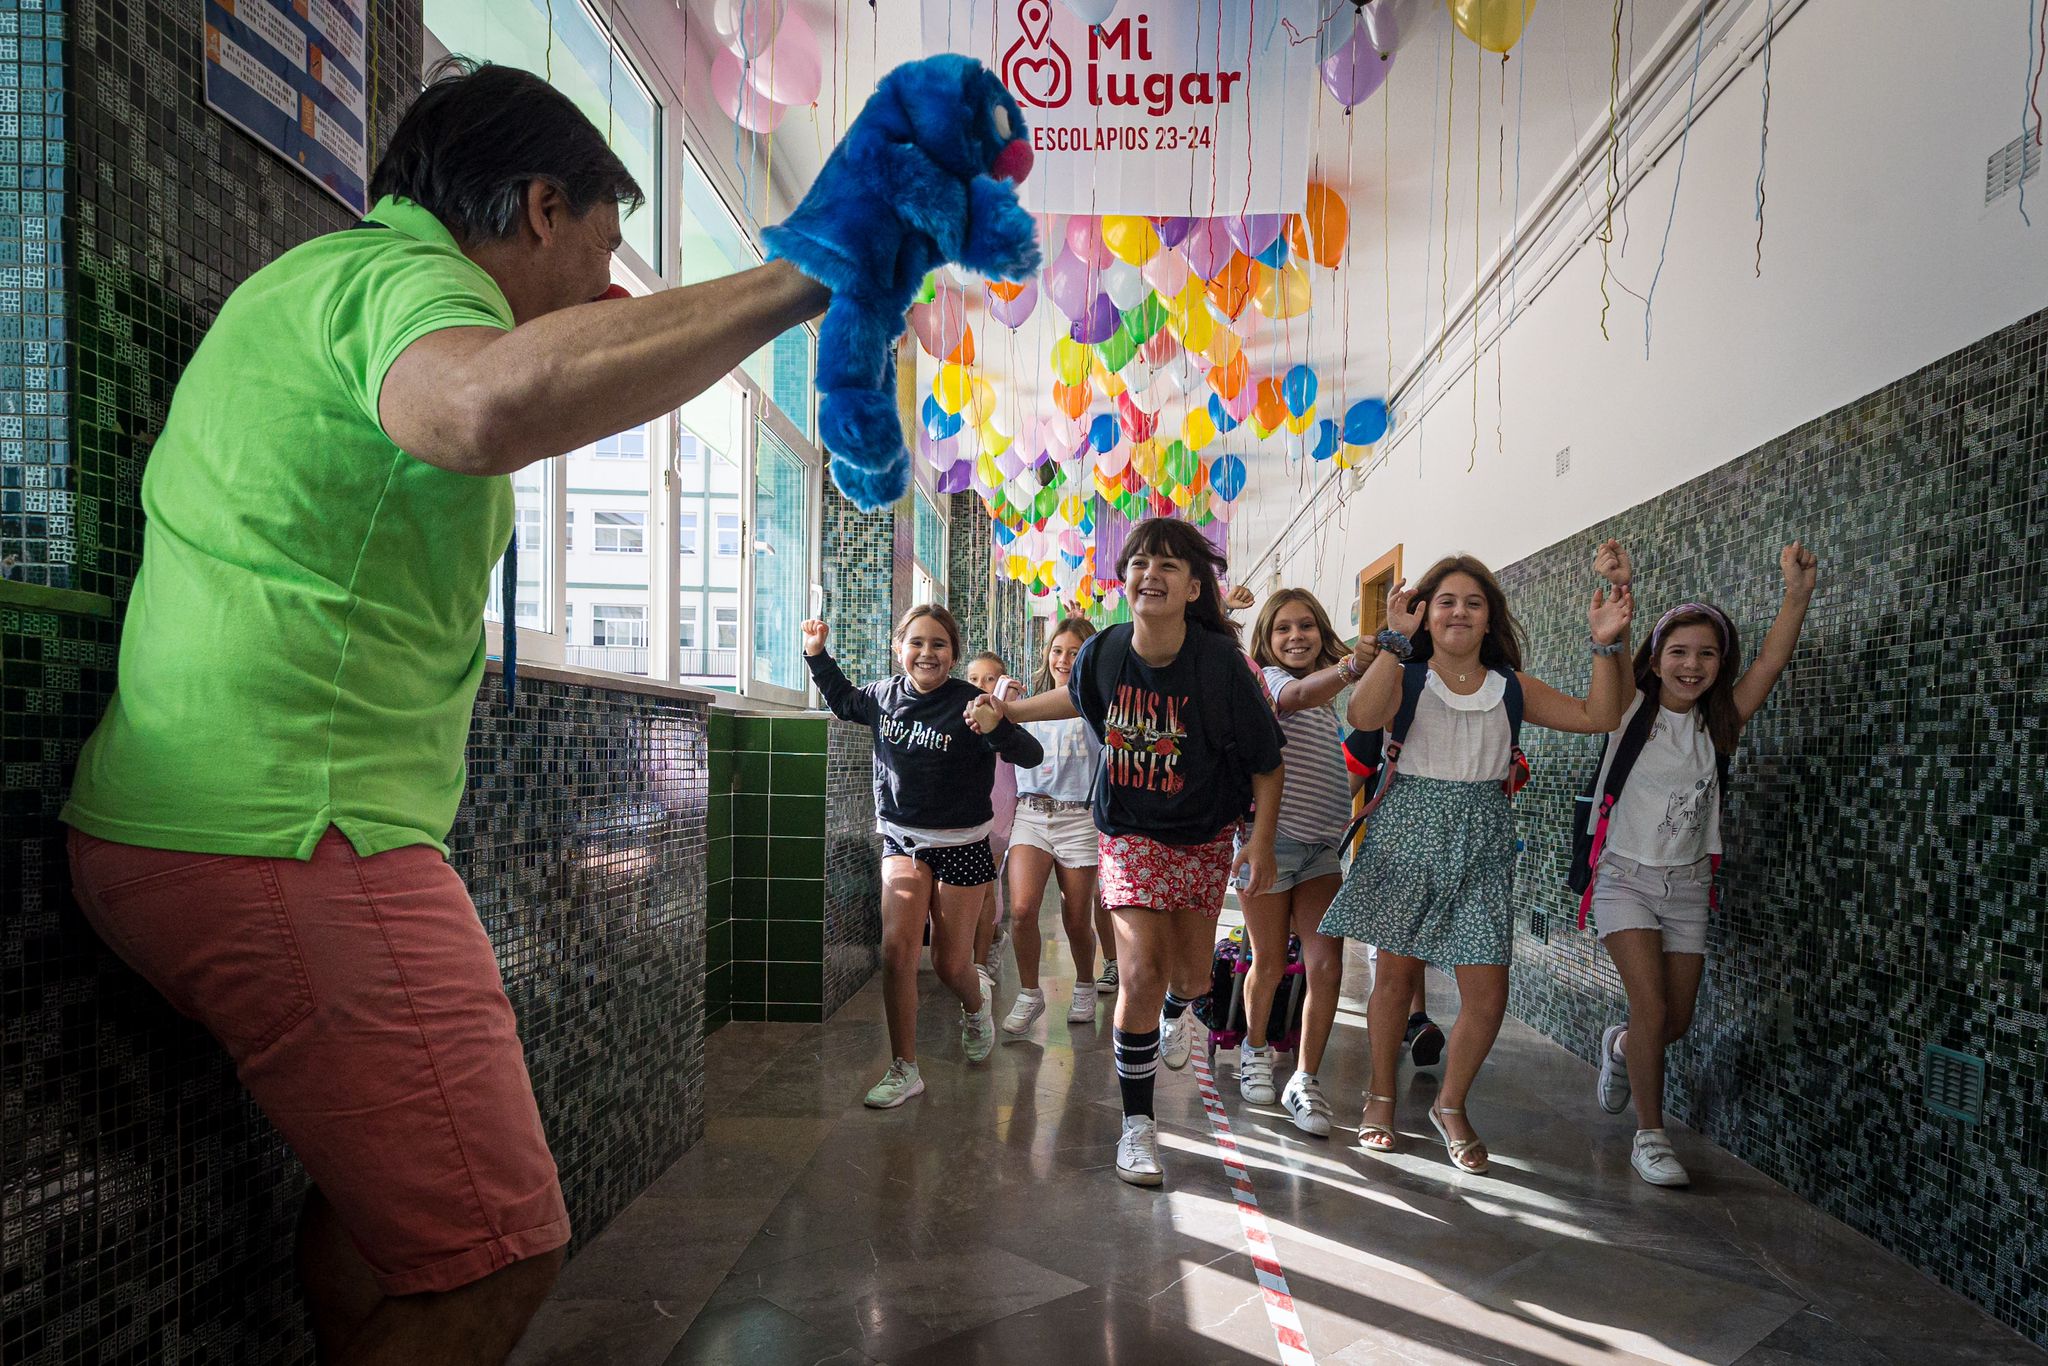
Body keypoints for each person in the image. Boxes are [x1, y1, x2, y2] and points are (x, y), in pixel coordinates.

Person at [58, 60, 852, 1366]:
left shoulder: (307, 284)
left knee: (390, 1217)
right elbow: (483, 403)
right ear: (539, 209)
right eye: (599, 254)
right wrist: (793, 280)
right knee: (502, 1247)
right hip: (287, 835)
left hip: (170, 826)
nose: (604, 295)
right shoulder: (412, 283)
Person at [970, 518, 1284, 1187]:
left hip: (1202, 834)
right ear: (1126, 579)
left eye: (1170, 565)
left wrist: (1259, 841)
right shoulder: (1106, 652)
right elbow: (1075, 700)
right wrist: (1011, 713)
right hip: (1128, 832)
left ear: (1195, 585)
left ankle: (1178, 1013)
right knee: (1138, 971)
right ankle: (1137, 1128)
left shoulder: (1220, 665)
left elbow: (1266, 761)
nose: (1152, 573)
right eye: (1141, 561)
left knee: (1191, 978)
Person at [1321, 556, 1633, 1174]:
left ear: (1490, 616)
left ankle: (1451, 1104)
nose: (1458, 611)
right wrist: (1393, 640)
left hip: (1483, 838)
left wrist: (1609, 645)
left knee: (1488, 992)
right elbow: (1359, 715)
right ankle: (1381, 1094)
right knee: (1393, 980)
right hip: (1406, 831)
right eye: (1445, 602)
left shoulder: (1510, 686)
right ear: (1426, 616)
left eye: (1473, 602)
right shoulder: (1406, 678)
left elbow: (1601, 716)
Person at [1583, 539, 1817, 1187]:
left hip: (1688, 883)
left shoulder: (1720, 723)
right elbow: (1611, 661)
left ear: (1720, 663)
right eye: (1678, 652)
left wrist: (1796, 596)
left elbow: (1770, 662)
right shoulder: (1628, 711)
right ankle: (1650, 1137)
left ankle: (1621, 1047)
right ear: (1654, 661)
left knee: (1672, 1023)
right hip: (1624, 878)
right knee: (1653, 1009)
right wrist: (1620, 594)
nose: (1692, 664)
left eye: (1706, 654)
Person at [804, 607, 1042, 1108]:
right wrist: (817, 653)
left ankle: (975, 1008)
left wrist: (995, 727)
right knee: (896, 952)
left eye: (938, 644)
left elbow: (1030, 754)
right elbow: (844, 700)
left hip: (964, 844)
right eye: (916, 642)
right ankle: (904, 1067)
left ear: (953, 654)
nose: (927, 653)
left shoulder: (969, 702)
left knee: (953, 963)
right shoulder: (882, 696)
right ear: (899, 648)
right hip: (902, 840)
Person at [1237, 589, 1373, 1135]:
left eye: (1306, 626)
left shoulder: (1332, 697)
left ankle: (1305, 1077)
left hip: (1321, 847)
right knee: (1267, 961)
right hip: (1271, 842)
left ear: (1321, 630)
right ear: (1268, 643)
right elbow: (1294, 698)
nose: (1296, 637)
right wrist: (1347, 668)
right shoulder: (1270, 683)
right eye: (1283, 630)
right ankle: (1253, 1048)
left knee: (1326, 965)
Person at [998, 617, 1106, 1036]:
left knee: (1077, 917)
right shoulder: (1029, 701)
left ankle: (1084, 982)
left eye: (1075, 651)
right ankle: (1029, 993)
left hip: (1080, 817)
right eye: (1057, 650)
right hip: (1032, 813)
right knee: (1022, 910)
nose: (1063, 659)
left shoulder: (1096, 703)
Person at [965, 651, 1024, 999]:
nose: (980, 686)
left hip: (1000, 808)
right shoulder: (962, 715)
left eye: (989, 678)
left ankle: (982, 958)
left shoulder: (1010, 713)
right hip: (967, 807)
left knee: (989, 884)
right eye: (974, 679)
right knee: (970, 888)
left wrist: (1005, 702)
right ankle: (975, 954)